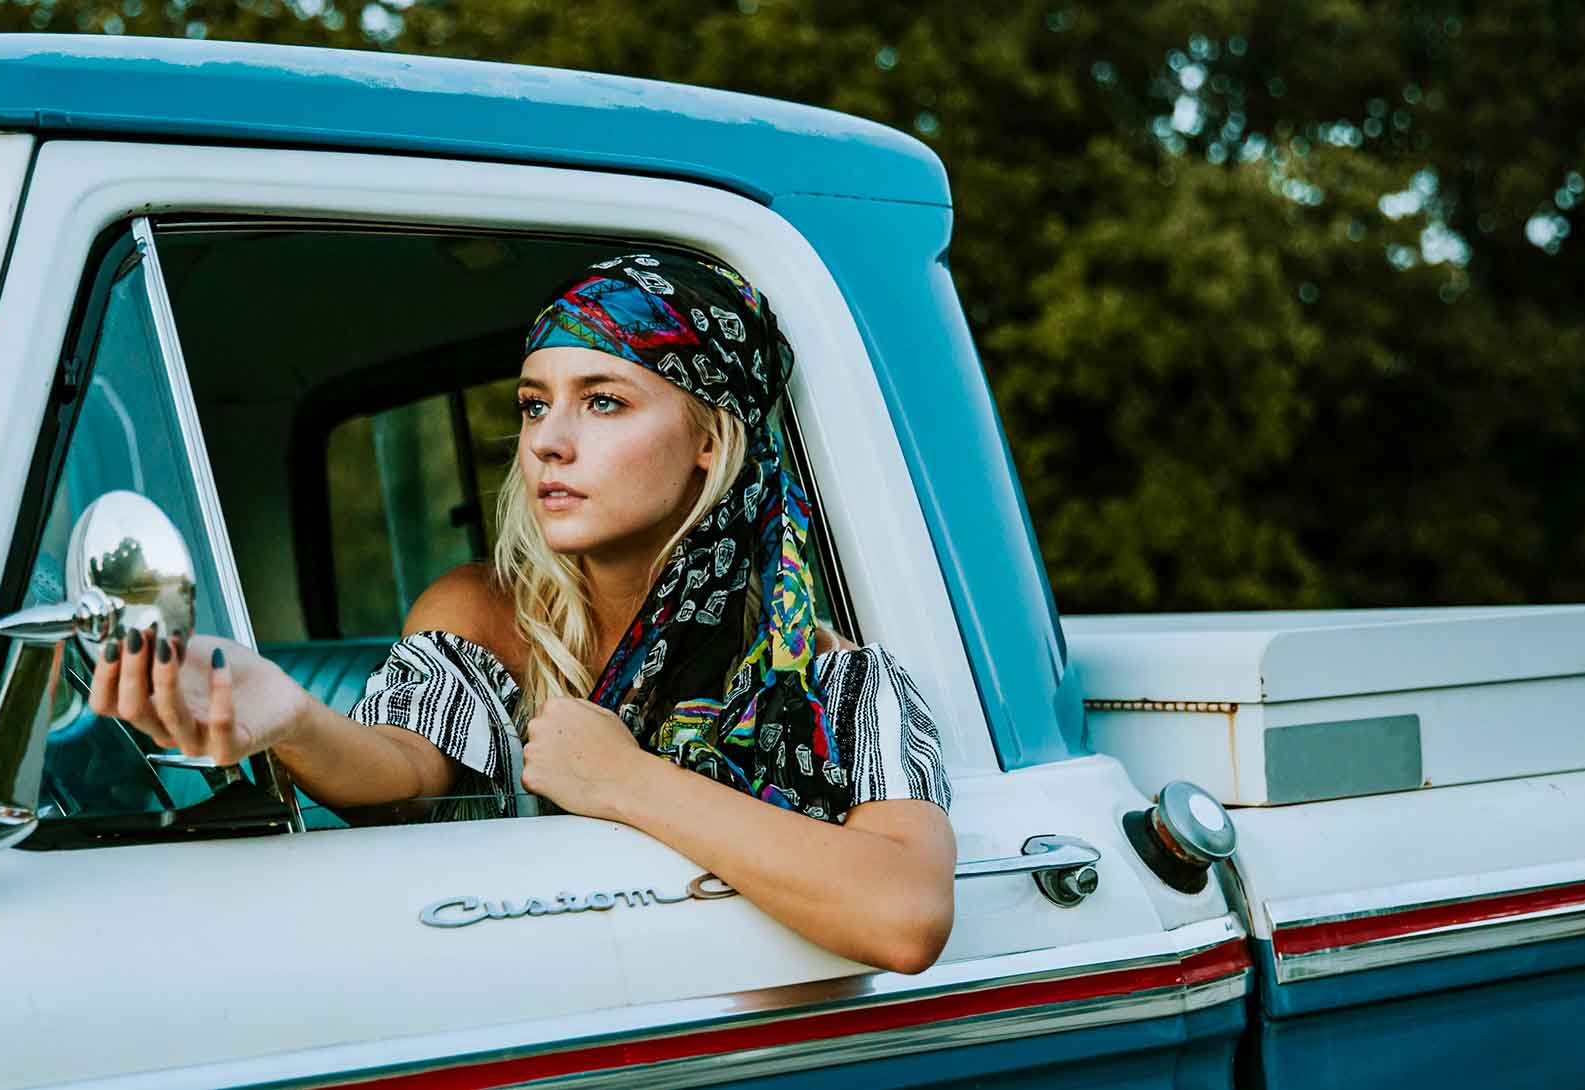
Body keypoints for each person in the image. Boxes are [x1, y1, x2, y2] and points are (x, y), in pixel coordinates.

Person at [89, 252, 957, 974]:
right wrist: (293, 718)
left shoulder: (835, 681)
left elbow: (904, 918)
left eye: (603, 400)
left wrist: (626, 780)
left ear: (709, 438)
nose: (546, 441)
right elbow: (406, 767)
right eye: (536, 404)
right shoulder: (480, 611)